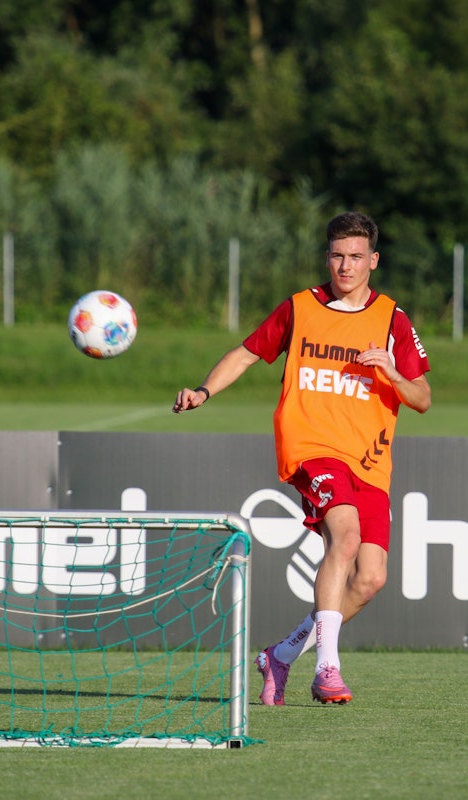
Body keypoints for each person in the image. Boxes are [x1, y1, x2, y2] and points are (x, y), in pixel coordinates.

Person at [173, 211, 431, 705]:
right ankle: (328, 669)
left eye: (356, 256)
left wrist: (393, 373)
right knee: (345, 537)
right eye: (337, 255)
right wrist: (204, 391)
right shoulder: (300, 307)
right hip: (312, 449)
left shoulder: (392, 320)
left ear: (374, 261)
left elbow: (422, 398)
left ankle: (282, 654)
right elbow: (246, 354)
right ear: (326, 258)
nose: (346, 266)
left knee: (370, 578)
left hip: (370, 461)